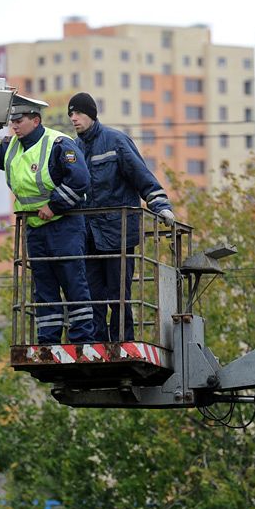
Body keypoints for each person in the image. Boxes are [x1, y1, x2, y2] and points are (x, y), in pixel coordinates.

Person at [0, 95, 95, 344]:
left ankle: (82, 338)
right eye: (12, 121)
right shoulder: (11, 147)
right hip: (36, 228)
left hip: (64, 225)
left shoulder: (58, 144)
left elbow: (80, 180)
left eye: (19, 120)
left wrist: (54, 206)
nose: (14, 125)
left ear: (36, 120)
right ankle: (48, 339)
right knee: (44, 287)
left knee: (73, 281)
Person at [67, 92, 175, 342]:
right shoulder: (74, 149)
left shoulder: (115, 141)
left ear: (92, 114)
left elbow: (141, 176)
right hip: (90, 236)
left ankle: (121, 342)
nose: (74, 118)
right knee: (92, 295)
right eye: (71, 114)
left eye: (78, 113)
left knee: (118, 295)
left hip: (119, 234)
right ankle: (98, 345)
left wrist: (161, 205)